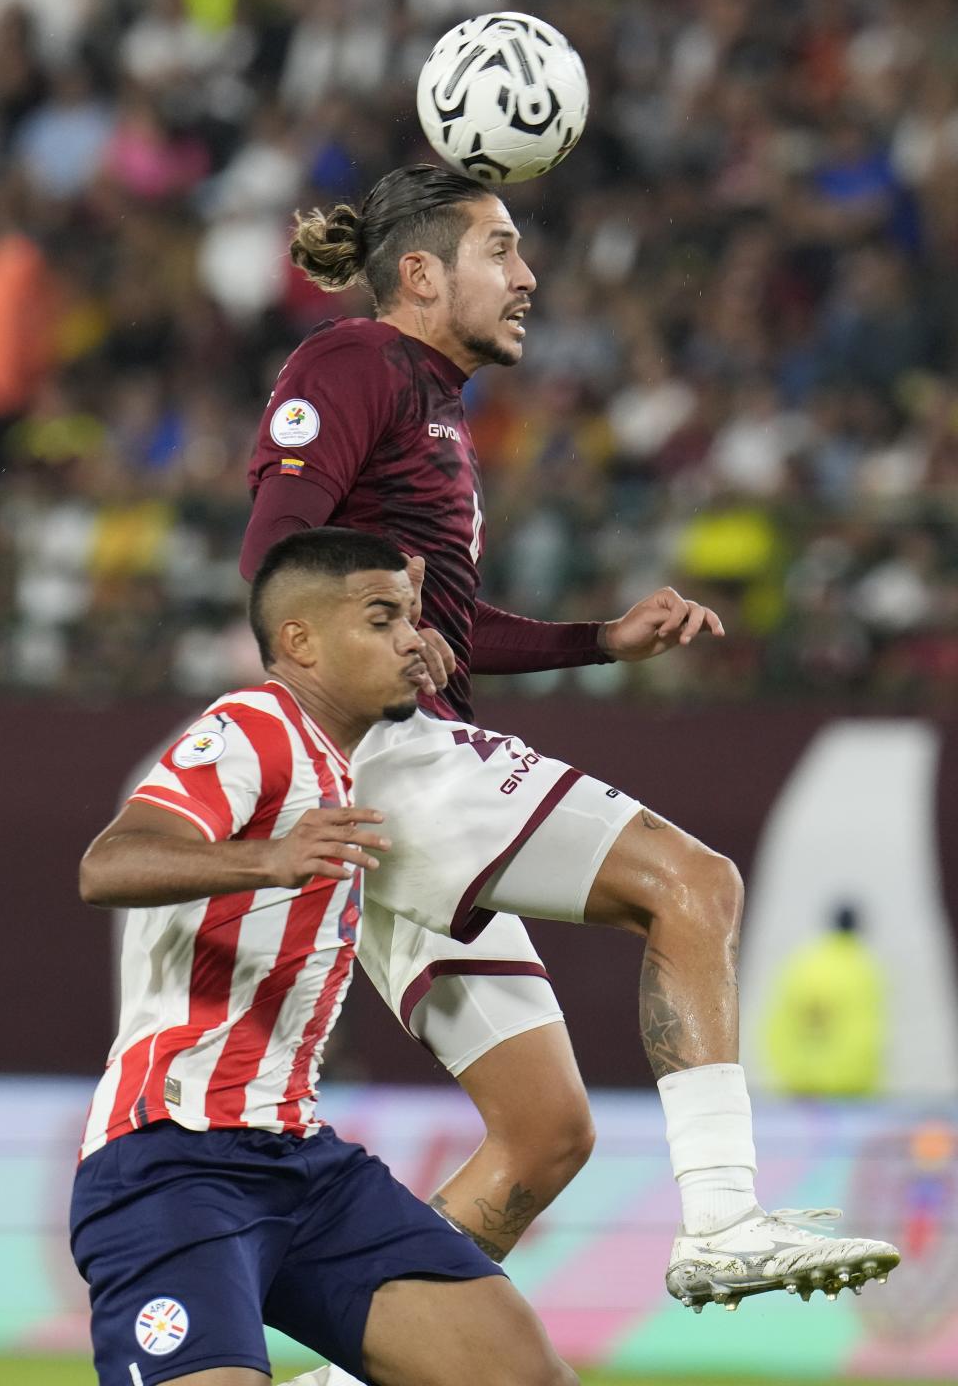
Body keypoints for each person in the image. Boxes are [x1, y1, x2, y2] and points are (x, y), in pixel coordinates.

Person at [240, 165, 899, 1336]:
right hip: (390, 757)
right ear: (422, 273)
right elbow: (279, 554)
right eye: (502, 248)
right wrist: (385, 629)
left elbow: (451, 628)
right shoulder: (351, 365)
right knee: (696, 885)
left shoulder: (432, 404)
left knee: (546, 1134)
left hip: (382, 789)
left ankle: (349, 1370)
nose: (530, 275)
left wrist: (601, 639)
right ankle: (725, 1219)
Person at [71, 526, 580, 1386]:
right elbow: (108, 864)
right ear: (300, 641)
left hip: (303, 1165)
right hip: (171, 1157)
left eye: (413, 620)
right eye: (382, 619)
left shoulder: (349, 772)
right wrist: (262, 859)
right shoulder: (251, 727)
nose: (411, 641)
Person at [762, 902, 886, 1097]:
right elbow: (870, 1030)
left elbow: (781, 1021)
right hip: (852, 1084)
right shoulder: (865, 967)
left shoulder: (803, 963)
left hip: (800, 1084)